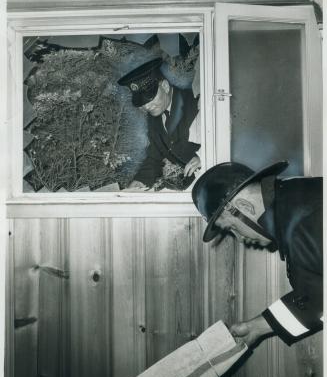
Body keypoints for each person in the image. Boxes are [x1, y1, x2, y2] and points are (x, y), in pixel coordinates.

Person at [192, 160, 323, 347]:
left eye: (231, 228)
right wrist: (258, 327)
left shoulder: (306, 224)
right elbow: (319, 298)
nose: (238, 238)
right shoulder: (295, 204)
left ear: (245, 207)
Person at [118, 58, 201, 189]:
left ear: (165, 86)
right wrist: (140, 181)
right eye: (142, 102)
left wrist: (203, 158)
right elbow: (155, 156)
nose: (147, 107)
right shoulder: (154, 117)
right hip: (185, 185)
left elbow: (222, 138)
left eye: (150, 98)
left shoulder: (195, 103)